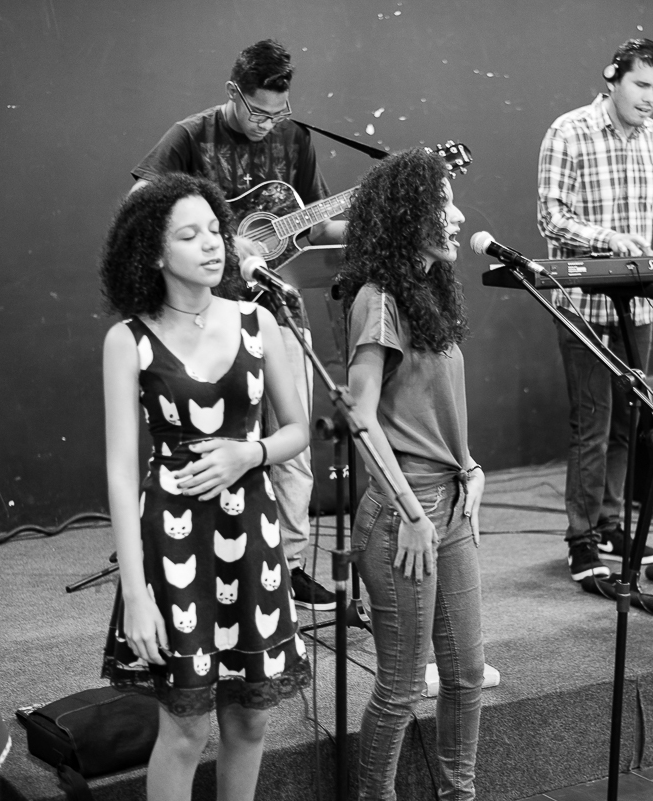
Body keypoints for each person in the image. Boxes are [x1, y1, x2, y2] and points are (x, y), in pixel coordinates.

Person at [99, 174, 312, 801]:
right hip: (172, 543)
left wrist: (250, 452)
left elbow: (298, 429)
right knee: (186, 728)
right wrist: (134, 594)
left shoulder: (257, 320)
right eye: (190, 235)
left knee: (250, 719)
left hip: (252, 536)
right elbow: (120, 473)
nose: (212, 244)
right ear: (154, 253)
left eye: (215, 230)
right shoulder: (127, 339)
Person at [132, 38, 343, 611]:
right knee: (216, 437)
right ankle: (213, 564)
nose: (268, 124)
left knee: (294, 445)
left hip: (279, 310)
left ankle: (289, 566)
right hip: (201, 317)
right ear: (233, 92)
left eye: (279, 113)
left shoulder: (295, 139)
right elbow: (140, 203)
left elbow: (315, 224)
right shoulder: (190, 136)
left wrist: (369, 214)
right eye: (258, 112)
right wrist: (223, 240)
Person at [337, 149, 485, 800]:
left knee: (467, 675)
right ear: (406, 215)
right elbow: (360, 418)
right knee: (400, 688)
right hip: (405, 513)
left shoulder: (431, 290)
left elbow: (436, 405)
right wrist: (412, 512)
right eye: (442, 203)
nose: (457, 216)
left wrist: (470, 466)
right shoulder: (378, 299)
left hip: (448, 502)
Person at [537, 37, 653, 583]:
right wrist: (608, 240)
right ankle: (582, 538)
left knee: (627, 421)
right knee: (591, 425)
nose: (650, 97)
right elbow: (550, 217)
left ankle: (611, 523)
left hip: (636, 307)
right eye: (641, 84)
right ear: (613, 77)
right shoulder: (568, 131)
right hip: (582, 304)